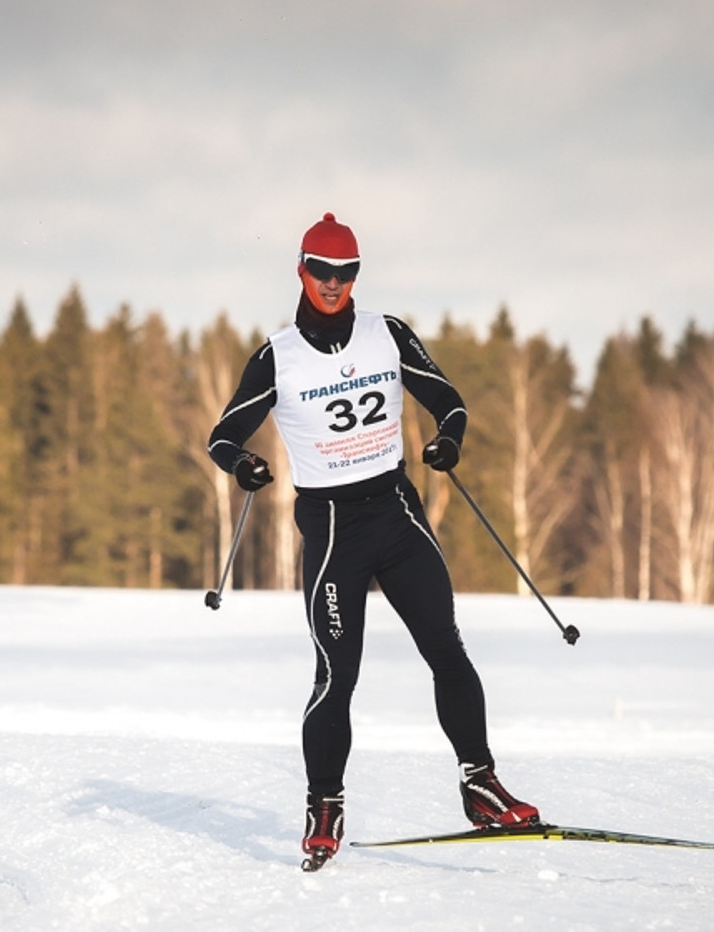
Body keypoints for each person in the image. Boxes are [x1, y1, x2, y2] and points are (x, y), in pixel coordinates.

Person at [205, 212, 538, 871]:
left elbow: (451, 402)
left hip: (396, 511)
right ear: (302, 270)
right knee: (338, 674)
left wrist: (446, 441)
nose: (334, 284)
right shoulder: (279, 356)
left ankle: (480, 783)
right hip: (332, 529)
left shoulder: (388, 334)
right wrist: (245, 467)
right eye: (323, 271)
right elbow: (222, 436)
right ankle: (324, 803)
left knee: (447, 646)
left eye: (347, 272)